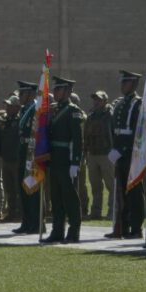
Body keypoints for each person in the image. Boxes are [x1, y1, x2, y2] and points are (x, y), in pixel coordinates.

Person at [42, 76, 85, 244]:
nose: (55, 92)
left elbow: (77, 139)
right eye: (55, 89)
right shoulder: (55, 110)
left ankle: (73, 232)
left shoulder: (73, 111)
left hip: (67, 159)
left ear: (67, 91)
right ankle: (57, 231)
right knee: (56, 198)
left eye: (58, 89)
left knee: (70, 198)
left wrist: (75, 162)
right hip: (54, 159)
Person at [108, 70, 144, 239]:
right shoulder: (120, 103)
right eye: (122, 82)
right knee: (121, 192)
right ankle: (122, 226)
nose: (122, 86)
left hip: (132, 155)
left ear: (134, 84)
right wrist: (114, 148)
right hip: (119, 155)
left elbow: (138, 132)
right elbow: (115, 129)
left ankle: (136, 228)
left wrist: (122, 149)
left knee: (134, 192)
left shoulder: (138, 104)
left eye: (125, 82)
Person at [13, 82, 43, 234]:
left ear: (30, 94)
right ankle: (26, 221)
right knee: (23, 188)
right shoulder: (25, 110)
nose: (19, 96)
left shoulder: (36, 109)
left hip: (32, 152)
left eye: (22, 93)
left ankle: (36, 223)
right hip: (23, 151)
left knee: (33, 189)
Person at [82, 90, 113, 220]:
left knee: (111, 185)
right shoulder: (91, 116)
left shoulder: (110, 115)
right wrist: (85, 152)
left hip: (107, 155)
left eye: (99, 99)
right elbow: (86, 136)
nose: (96, 102)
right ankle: (96, 211)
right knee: (95, 186)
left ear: (105, 101)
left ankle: (113, 211)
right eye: (95, 99)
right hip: (93, 154)